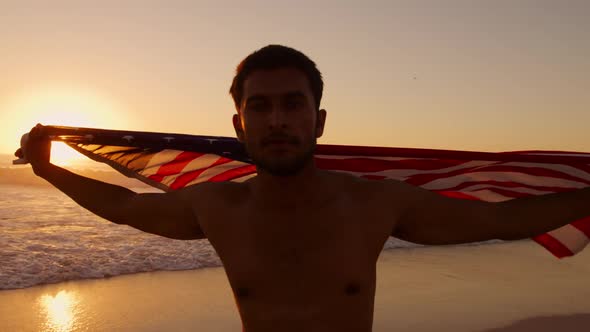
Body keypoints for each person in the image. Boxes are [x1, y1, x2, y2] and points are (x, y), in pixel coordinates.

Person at [16, 45, 590, 332]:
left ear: (318, 121)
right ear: (239, 125)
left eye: (293, 104)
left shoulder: (372, 203)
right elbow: (124, 206)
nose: (277, 120)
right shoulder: (219, 206)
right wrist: (48, 169)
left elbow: (500, 220)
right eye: (260, 107)